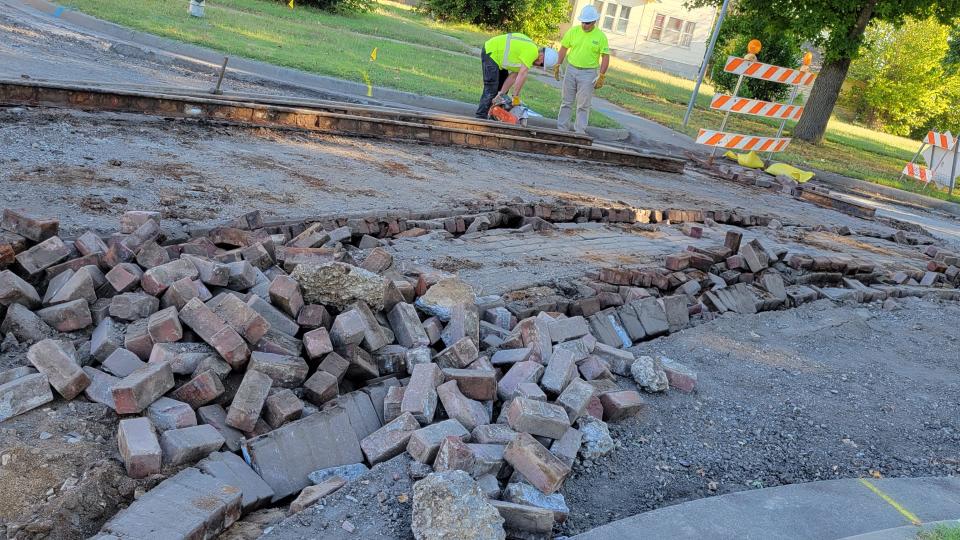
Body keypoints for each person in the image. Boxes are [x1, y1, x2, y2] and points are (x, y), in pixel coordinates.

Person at [554, 5, 610, 133]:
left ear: (594, 21)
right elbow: (563, 48)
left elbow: (605, 56)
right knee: (566, 101)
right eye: (583, 22)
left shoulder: (600, 36)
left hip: (588, 73)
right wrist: (558, 64)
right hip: (571, 69)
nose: (584, 25)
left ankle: (579, 132)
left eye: (588, 23)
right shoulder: (573, 31)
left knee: (583, 104)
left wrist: (601, 75)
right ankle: (562, 130)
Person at [476, 33, 559, 119]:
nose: (538, 66)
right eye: (541, 65)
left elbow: (514, 76)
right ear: (542, 57)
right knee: (491, 87)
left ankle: (493, 114)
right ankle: (480, 117)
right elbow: (522, 74)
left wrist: (501, 93)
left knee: (501, 92)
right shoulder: (532, 52)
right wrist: (515, 96)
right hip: (491, 52)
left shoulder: (528, 55)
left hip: (496, 56)